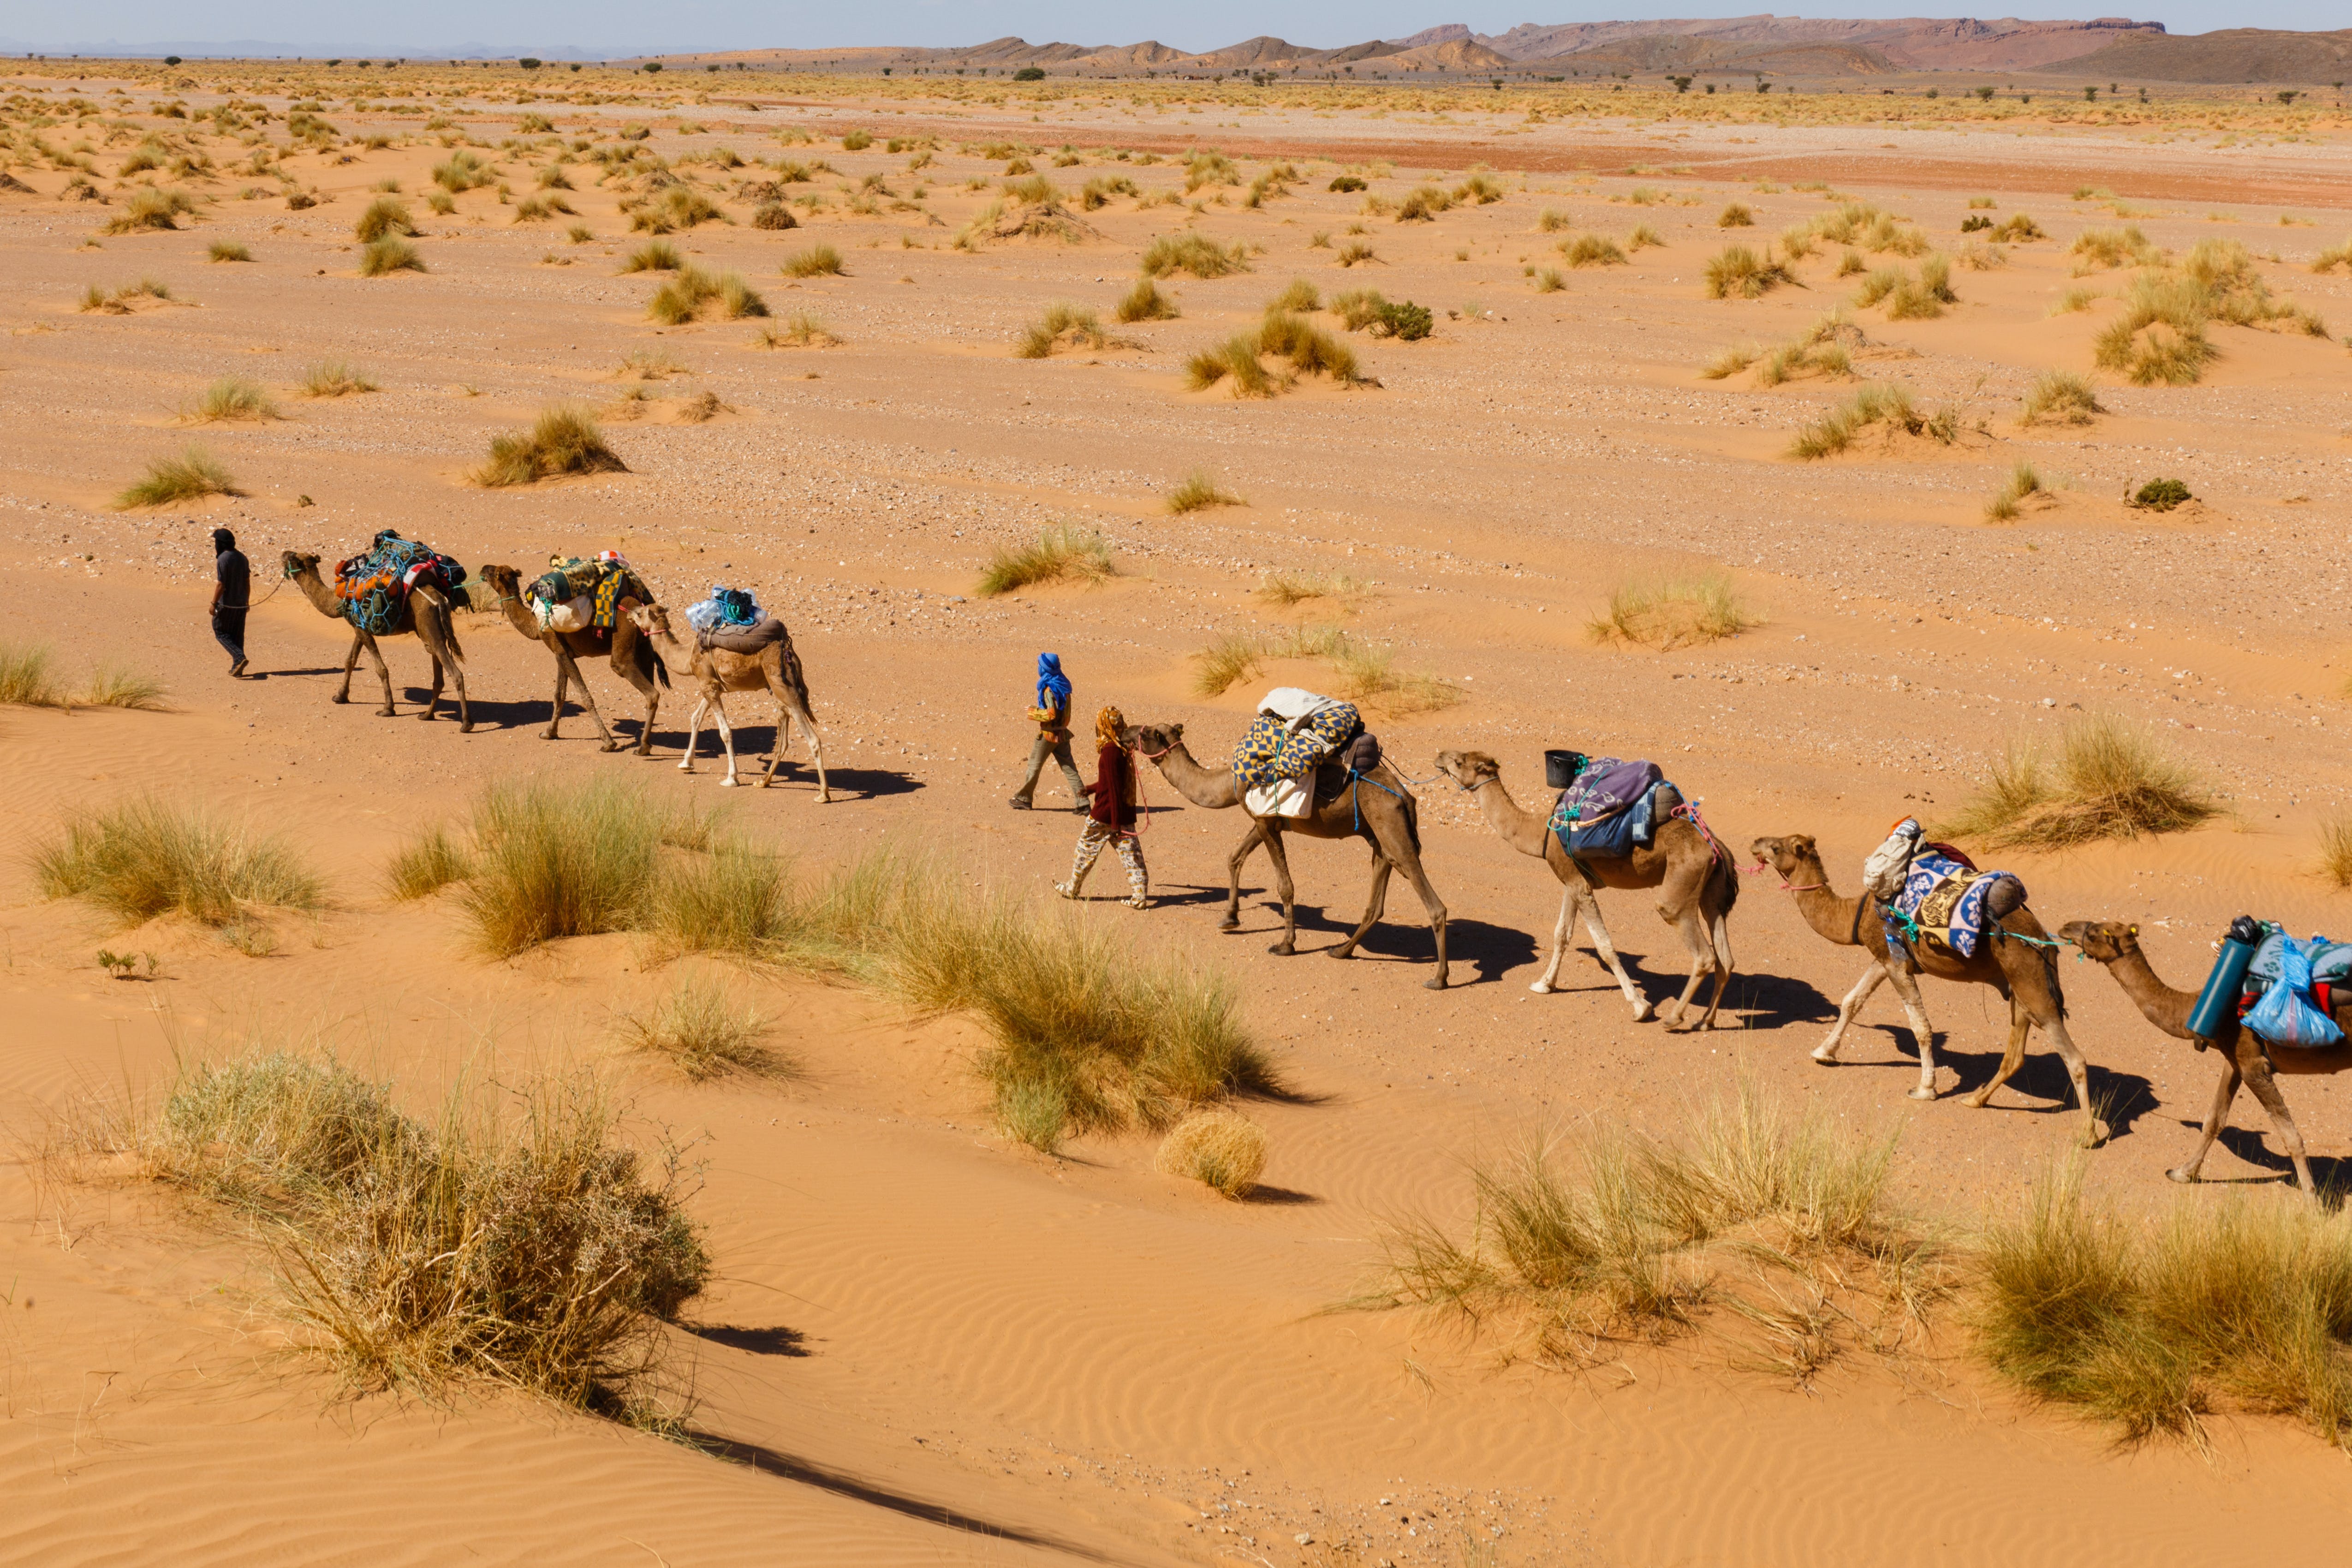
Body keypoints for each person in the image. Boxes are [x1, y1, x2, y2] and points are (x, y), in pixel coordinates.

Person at [1056, 705, 1149, 909]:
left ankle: (1072, 888)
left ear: (1104, 726)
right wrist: (1090, 789)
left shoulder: (1110, 751)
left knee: (1085, 848)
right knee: (1132, 855)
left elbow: (1115, 789)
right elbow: (1112, 782)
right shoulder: (1123, 748)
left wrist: (1115, 824)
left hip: (1106, 814)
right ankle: (1139, 896)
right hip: (1123, 811)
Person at [1009, 651, 1085, 811]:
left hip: (1049, 735)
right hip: (1063, 733)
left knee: (1034, 766)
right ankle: (1083, 802)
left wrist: (1033, 712)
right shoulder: (1063, 684)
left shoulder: (1049, 689)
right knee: (1069, 768)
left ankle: (1024, 799)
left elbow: (1051, 714)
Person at [209, 526, 250, 677]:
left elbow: (221, 584)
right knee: (237, 635)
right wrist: (247, 601)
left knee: (220, 632)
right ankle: (237, 667)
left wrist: (213, 604)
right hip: (241, 603)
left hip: (226, 604)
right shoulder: (242, 557)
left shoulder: (223, 559)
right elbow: (247, 581)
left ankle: (239, 658)